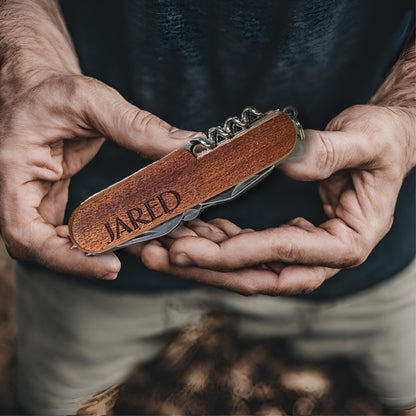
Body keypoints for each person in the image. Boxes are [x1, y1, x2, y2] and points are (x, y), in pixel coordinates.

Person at [0, 0, 414, 414]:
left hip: (360, 230)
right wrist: (27, 51)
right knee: (46, 402)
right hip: (86, 227)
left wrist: (407, 113)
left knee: (406, 390)